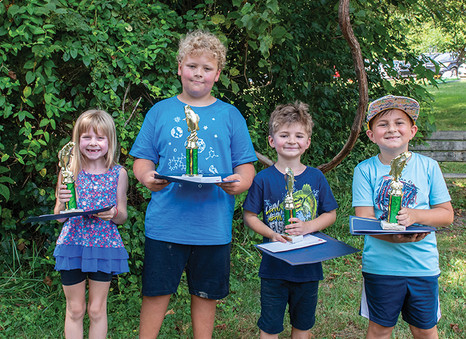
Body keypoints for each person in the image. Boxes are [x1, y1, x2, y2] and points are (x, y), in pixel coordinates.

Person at [130, 30, 257, 338]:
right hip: (165, 224)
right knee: (156, 293)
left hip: (212, 226)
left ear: (217, 74)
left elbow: (246, 166)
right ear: (179, 68)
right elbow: (142, 159)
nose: (198, 73)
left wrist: (239, 184)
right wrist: (146, 177)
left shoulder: (230, 115)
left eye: (207, 68)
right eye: (192, 65)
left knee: (205, 296)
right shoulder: (159, 111)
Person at [352, 95, 454, 339]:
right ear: (371, 135)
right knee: (380, 329)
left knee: (425, 329)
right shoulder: (364, 170)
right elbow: (365, 220)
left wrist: (415, 215)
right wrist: (394, 237)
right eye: (383, 124)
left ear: (412, 131)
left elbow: (446, 215)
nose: (392, 129)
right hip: (381, 267)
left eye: (399, 123)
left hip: (423, 266)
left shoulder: (429, 166)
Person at [243, 102, 338, 339]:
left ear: (307, 142)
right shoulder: (263, 179)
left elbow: (331, 214)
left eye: (298, 135)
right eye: (284, 135)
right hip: (274, 268)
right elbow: (250, 216)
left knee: (303, 326)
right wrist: (271, 233)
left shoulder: (316, 177)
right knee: (270, 326)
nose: (291, 140)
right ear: (272, 141)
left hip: (308, 268)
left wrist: (308, 227)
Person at [54, 109, 129, 339]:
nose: (93, 143)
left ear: (110, 141)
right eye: (86, 137)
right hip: (72, 244)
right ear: (77, 140)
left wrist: (113, 213)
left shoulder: (118, 173)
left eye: (100, 138)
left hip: (104, 246)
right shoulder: (69, 171)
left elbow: (122, 215)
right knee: (75, 309)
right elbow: (59, 216)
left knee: (97, 309)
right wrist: (63, 204)